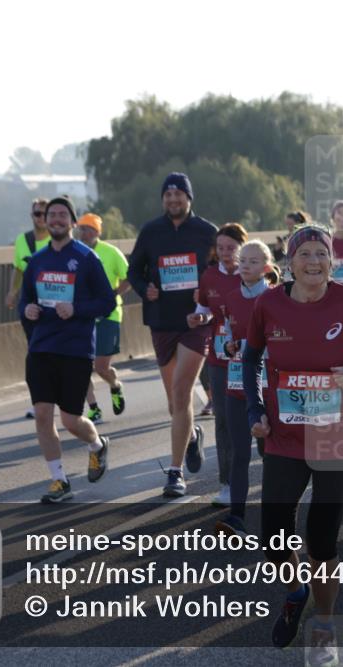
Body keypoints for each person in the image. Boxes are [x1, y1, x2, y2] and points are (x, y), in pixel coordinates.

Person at [242, 225, 343, 662]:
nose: (314, 262)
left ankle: (325, 626)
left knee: (321, 537)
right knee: (274, 536)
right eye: (305, 254)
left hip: (339, 435)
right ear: (289, 262)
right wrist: (254, 411)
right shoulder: (268, 304)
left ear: (332, 261)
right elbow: (250, 356)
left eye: (321, 254)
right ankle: (297, 591)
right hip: (285, 435)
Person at [19, 196, 115, 503]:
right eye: (52, 215)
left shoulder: (87, 258)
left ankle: (97, 445)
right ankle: (59, 480)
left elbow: (106, 302)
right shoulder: (37, 261)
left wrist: (75, 309)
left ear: (73, 222)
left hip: (75, 349)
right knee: (43, 415)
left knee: (71, 421)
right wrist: (29, 310)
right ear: (45, 222)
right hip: (42, 348)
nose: (56, 219)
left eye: (63, 215)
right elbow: (24, 301)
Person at [127, 173, 217, 497]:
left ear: (189, 199)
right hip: (162, 321)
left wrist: (209, 295)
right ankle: (191, 435)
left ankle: (175, 473)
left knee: (181, 393)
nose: (173, 200)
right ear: (163, 199)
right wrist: (144, 287)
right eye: (168, 195)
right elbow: (133, 270)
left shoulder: (207, 232)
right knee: (174, 402)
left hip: (196, 321)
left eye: (179, 194)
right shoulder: (151, 231)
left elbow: (223, 270)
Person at [215, 240, 280, 537]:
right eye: (243, 259)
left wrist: (244, 345)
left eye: (254, 261)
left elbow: (280, 340)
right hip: (237, 382)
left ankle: (276, 511)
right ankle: (237, 517)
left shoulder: (277, 298)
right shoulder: (229, 297)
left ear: (266, 268)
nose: (246, 265)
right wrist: (229, 346)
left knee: (271, 452)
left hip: (268, 384)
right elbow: (227, 337)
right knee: (240, 453)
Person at [196, 223, 247, 506]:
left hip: (252, 359)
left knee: (260, 417)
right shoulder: (210, 276)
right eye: (222, 248)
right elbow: (203, 309)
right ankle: (227, 483)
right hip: (219, 358)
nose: (226, 253)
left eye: (232, 248)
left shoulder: (254, 272)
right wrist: (199, 318)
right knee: (224, 420)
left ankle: (273, 472)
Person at [75, 213, 130, 424]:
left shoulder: (111, 252)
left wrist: (113, 294)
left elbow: (128, 277)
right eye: (81, 228)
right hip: (82, 315)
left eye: (88, 229)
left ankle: (115, 385)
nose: (84, 232)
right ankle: (94, 407)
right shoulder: (76, 253)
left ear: (97, 232)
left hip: (109, 315)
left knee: (100, 367)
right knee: (81, 364)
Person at [6, 198, 51, 419]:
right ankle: (39, 401)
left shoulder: (57, 240)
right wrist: (12, 291)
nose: (40, 218)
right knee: (34, 354)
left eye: (44, 214)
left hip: (55, 305)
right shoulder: (22, 240)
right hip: (30, 305)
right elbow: (18, 268)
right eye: (37, 214)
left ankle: (62, 398)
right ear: (31, 215)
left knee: (56, 354)